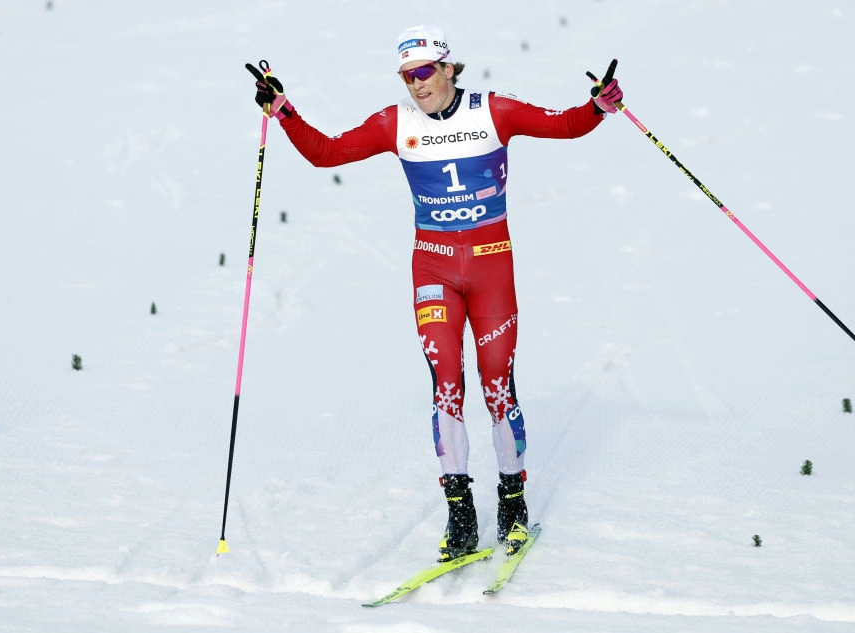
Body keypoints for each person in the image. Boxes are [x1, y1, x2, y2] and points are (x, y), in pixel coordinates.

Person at [249, 24, 622, 561]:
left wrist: (599, 106)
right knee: (447, 384)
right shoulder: (394, 123)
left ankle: (513, 505)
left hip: (492, 269)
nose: (416, 84)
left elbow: (564, 126)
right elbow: (326, 154)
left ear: (448, 67)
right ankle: (460, 517)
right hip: (434, 271)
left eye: (424, 71)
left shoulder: (493, 110)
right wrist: (282, 110)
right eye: (407, 76)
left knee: (497, 386)